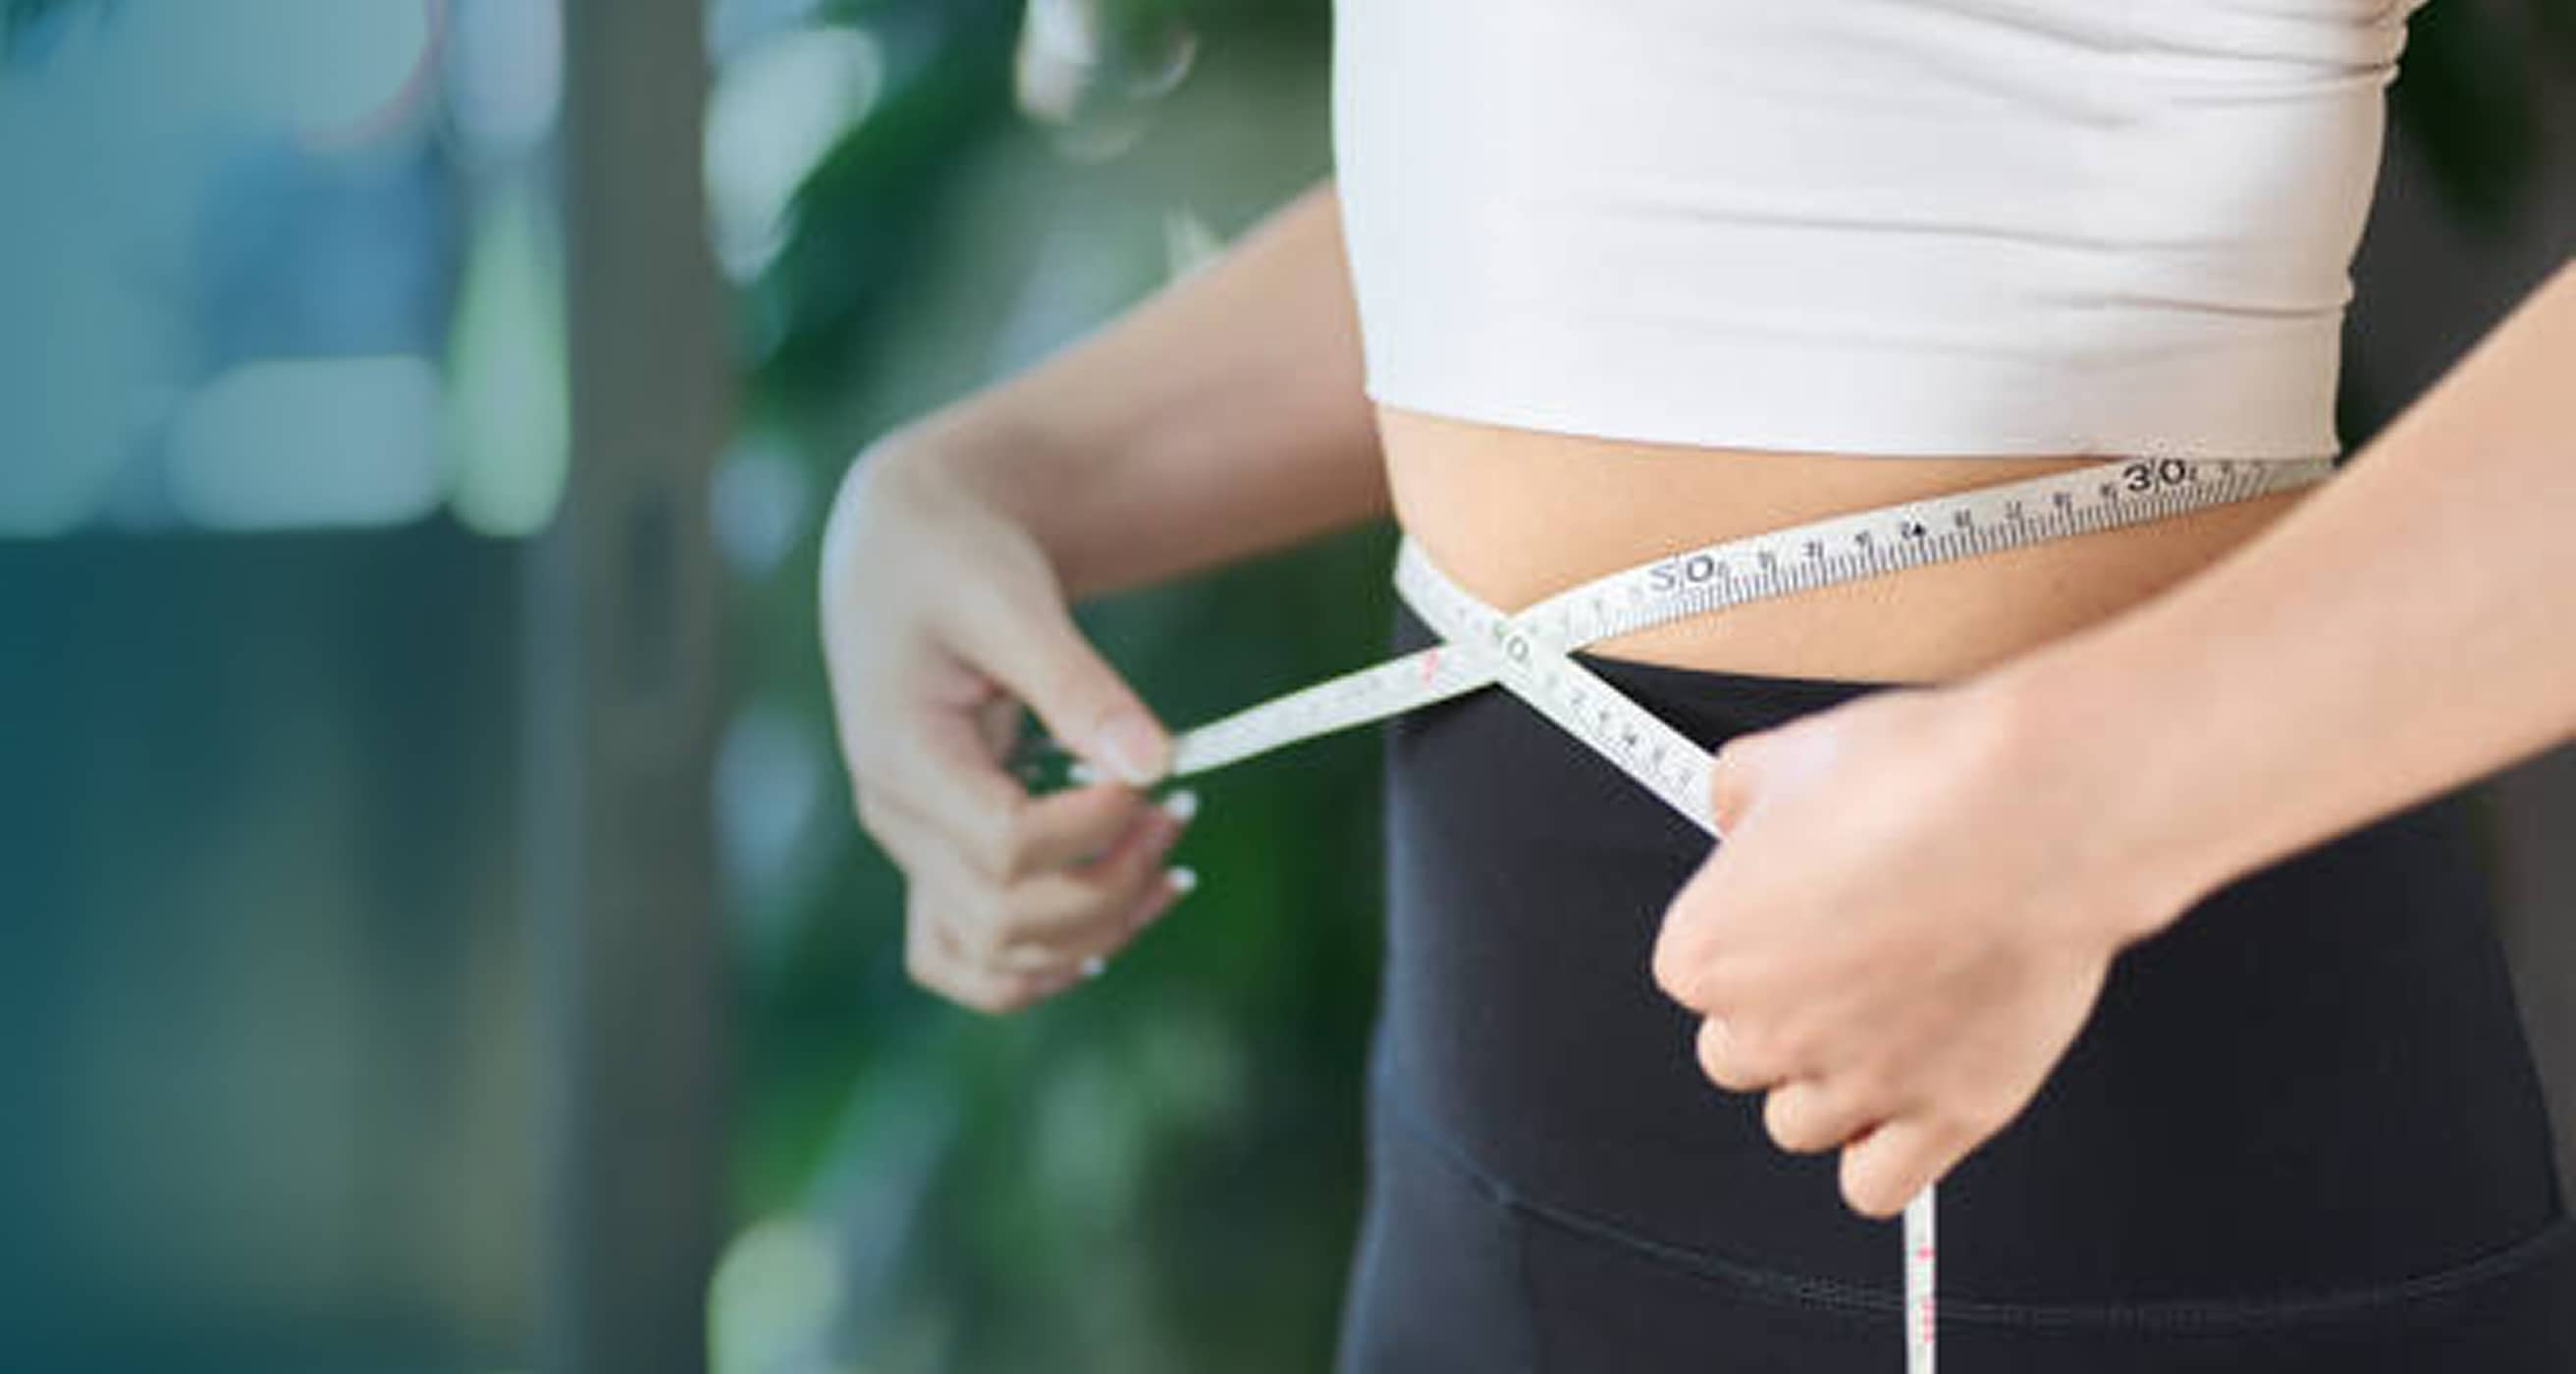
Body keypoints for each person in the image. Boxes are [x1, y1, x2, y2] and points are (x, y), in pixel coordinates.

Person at [819, 2, 2576, 1368]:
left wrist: (2086, 801)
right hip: (1482, 1128)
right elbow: (1615, 166)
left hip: (2098, 1143)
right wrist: (1007, 475)